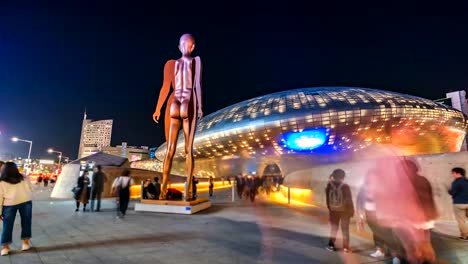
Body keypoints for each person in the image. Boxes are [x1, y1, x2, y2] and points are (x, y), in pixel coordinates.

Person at [0, 162, 33, 256]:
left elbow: (0, 197)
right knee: (26, 222)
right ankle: (25, 244)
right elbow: (31, 188)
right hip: (26, 201)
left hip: (9, 204)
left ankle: (5, 248)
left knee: (7, 225)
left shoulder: (2, 181)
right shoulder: (24, 177)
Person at [325, 169, 354, 253]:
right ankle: (346, 247)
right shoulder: (345, 186)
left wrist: (331, 210)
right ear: (343, 177)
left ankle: (331, 245)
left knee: (334, 228)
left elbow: (327, 201)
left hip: (333, 211)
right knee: (345, 229)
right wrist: (351, 211)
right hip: (345, 211)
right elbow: (349, 200)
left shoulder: (329, 186)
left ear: (333, 176)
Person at [449, 167, 468, 241]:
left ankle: (465, 236)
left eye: (453, 173)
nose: (452, 175)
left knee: (461, 221)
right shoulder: (466, 181)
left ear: (458, 173)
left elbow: (453, 192)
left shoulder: (456, 182)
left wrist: (449, 191)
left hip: (459, 204)